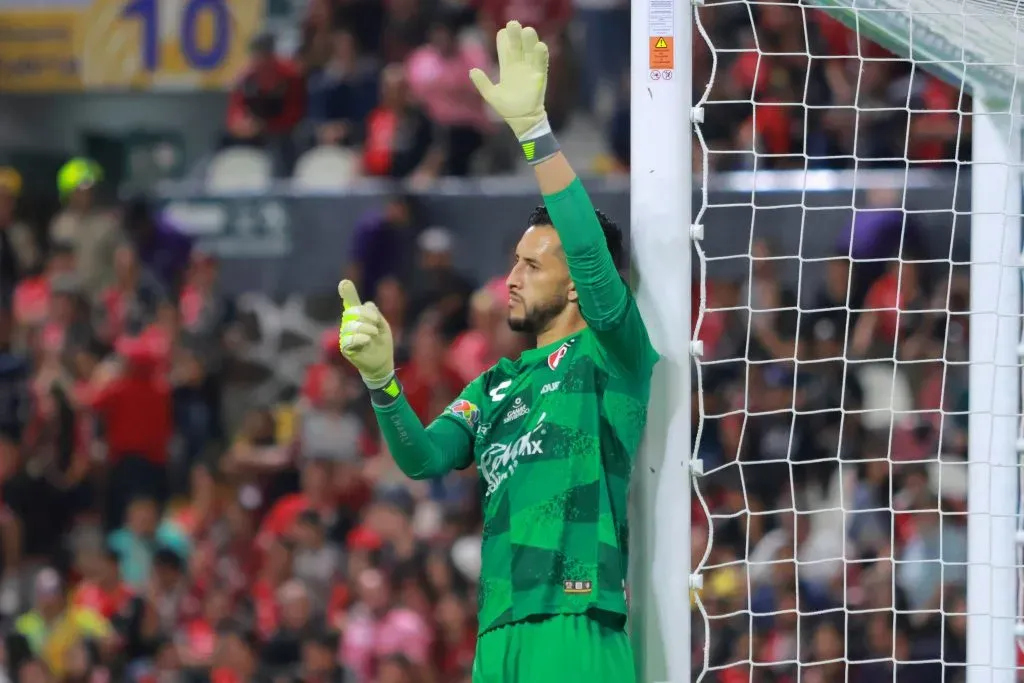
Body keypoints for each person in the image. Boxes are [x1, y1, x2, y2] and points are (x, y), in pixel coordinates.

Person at [335, 21, 656, 683]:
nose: (510, 276)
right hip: (498, 631)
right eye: (512, 260)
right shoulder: (496, 384)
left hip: (576, 618)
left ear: (573, 282)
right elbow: (423, 458)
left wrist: (536, 134)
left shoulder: (611, 356)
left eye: (531, 264)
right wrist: (381, 382)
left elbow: (594, 265)